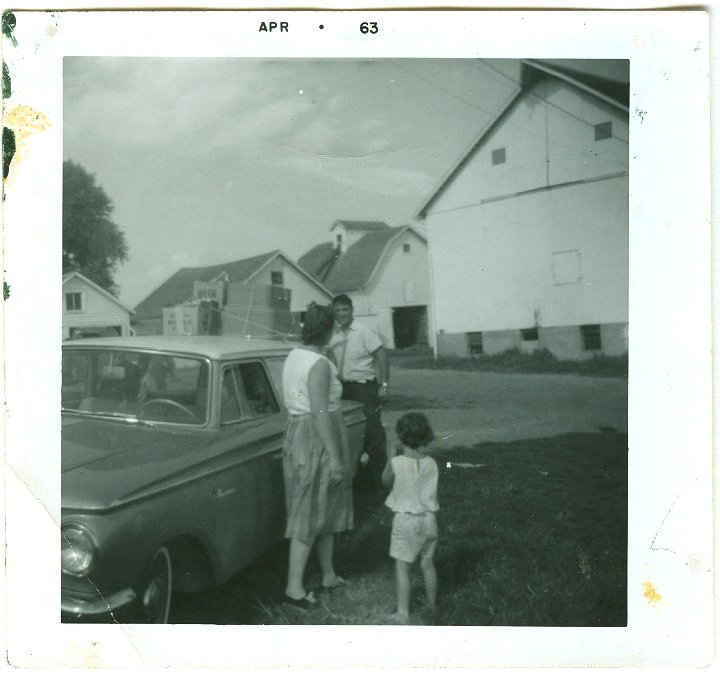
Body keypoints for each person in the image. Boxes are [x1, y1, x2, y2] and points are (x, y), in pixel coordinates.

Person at [281, 303, 354, 606]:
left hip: (299, 432)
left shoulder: (294, 357)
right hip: (316, 437)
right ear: (326, 330)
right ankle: (294, 588)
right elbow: (321, 412)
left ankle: (328, 574)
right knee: (309, 513)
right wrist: (336, 458)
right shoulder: (319, 363)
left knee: (326, 507)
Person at [327, 294, 389, 491]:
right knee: (349, 434)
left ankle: (381, 480)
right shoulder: (333, 334)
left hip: (364, 388)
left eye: (345, 309)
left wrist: (384, 385)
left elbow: (381, 355)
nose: (341, 314)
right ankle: (358, 480)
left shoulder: (363, 331)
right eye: (337, 310)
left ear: (352, 310)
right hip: (343, 389)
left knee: (372, 432)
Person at [382, 412, 438, 624]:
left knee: (402, 567)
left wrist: (390, 458)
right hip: (429, 519)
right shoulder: (431, 463)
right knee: (428, 563)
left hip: (406, 520)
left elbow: (385, 482)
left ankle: (403, 613)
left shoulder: (396, 463)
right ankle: (432, 605)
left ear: (400, 436)